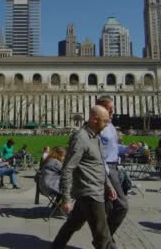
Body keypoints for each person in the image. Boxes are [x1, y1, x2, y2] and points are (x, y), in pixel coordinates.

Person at [51, 105, 117, 249]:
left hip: (96, 189)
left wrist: (109, 186)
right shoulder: (80, 138)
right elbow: (68, 168)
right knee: (102, 236)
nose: (107, 125)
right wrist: (66, 198)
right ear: (94, 119)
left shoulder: (96, 137)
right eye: (105, 121)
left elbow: (99, 164)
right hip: (89, 192)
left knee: (72, 225)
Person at [96, 96, 129, 239]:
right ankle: (104, 238)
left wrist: (127, 149)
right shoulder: (99, 128)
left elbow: (113, 148)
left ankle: (105, 241)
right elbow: (97, 152)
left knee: (109, 207)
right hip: (108, 169)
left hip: (115, 165)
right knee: (122, 206)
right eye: (110, 108)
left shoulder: (110, 126)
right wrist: (106, 173)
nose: (113, 111)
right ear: (102, 108)